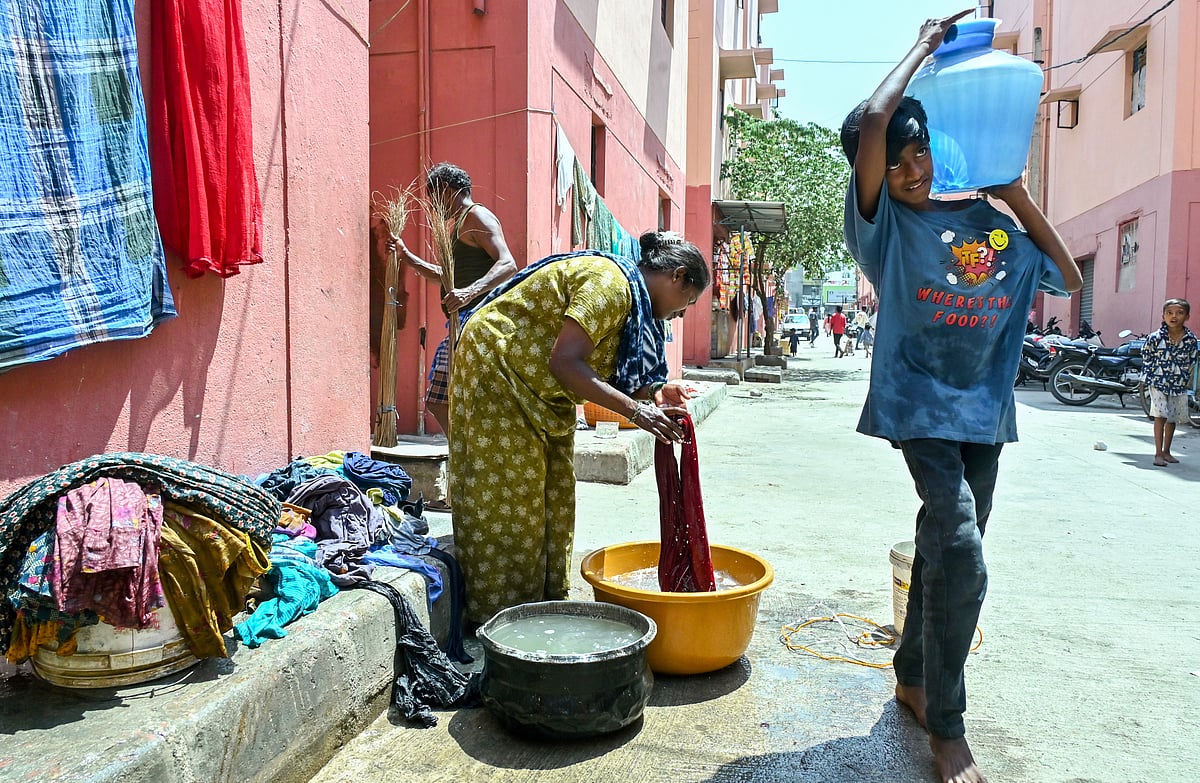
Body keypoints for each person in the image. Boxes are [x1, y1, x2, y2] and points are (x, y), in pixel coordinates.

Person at [840, 12, 1083, 783]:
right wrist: (923, 44)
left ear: (934, 148)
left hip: (985, 414)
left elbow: (1069, 279)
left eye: (919, 150)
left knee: (944, 546)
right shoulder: (883, 230)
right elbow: (877, 119)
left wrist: (1013, 190)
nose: (909, 166)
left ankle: (913, 676)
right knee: (964, 551)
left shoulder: (985, 223)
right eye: (893, 158)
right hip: (918, 408)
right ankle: (949, 725)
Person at [449, 231, 708, 627]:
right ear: (677, 275)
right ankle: (498, 620)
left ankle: (542, 606)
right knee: (510, 500)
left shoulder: (634, 305)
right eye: (686, 304)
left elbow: (614, 370)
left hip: (541, 392)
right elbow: (566, 363)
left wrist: (657, 391)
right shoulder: (609, 286)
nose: (680, 316)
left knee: (554, 495)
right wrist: (637, 414)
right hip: (498, 370)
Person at [389, 162, 517, 442]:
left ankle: (470, 450)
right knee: (439, 399)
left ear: (447, 190)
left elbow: (508, 263)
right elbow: (445, 275)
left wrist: (469, 293)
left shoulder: (477, 217)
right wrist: (407, 256)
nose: (434, 209)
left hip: (479, 320)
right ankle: (464, 450)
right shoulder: (459, 224)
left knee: (458, 398)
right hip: (460, 322)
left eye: (434, 200)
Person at [1141, 298, 1197, 467]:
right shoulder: (1155, 338)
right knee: (1160, 415)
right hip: (1158, 382)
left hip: (1178, 383)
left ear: (1187, 316)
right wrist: (1150, 377)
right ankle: (1158, 452)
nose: (1174, 316)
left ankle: (1167, 451)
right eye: (1169, 313)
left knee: (1171, 418)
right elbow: (1146, 356)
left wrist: (1183, 375)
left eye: (1179, 313)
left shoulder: (1190, 340)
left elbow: (1192, 360)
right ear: (1163, 316)